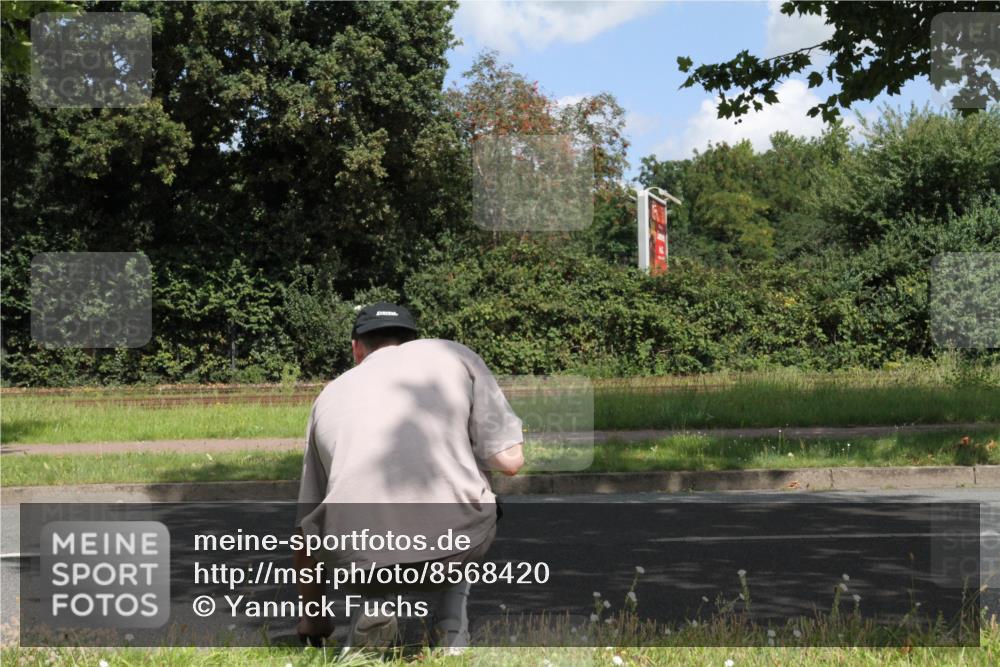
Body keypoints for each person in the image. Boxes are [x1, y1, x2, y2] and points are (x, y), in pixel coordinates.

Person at [292, 301, 525, 652]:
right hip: (451, 549)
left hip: (358, 560)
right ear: (411, 340)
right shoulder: (454, 355)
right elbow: (508, 461)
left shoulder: (328, 395)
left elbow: (305, 529)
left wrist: (314, 618)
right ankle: (451, 626)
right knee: (476, 477)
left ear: (356, 349)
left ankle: (374, 604)